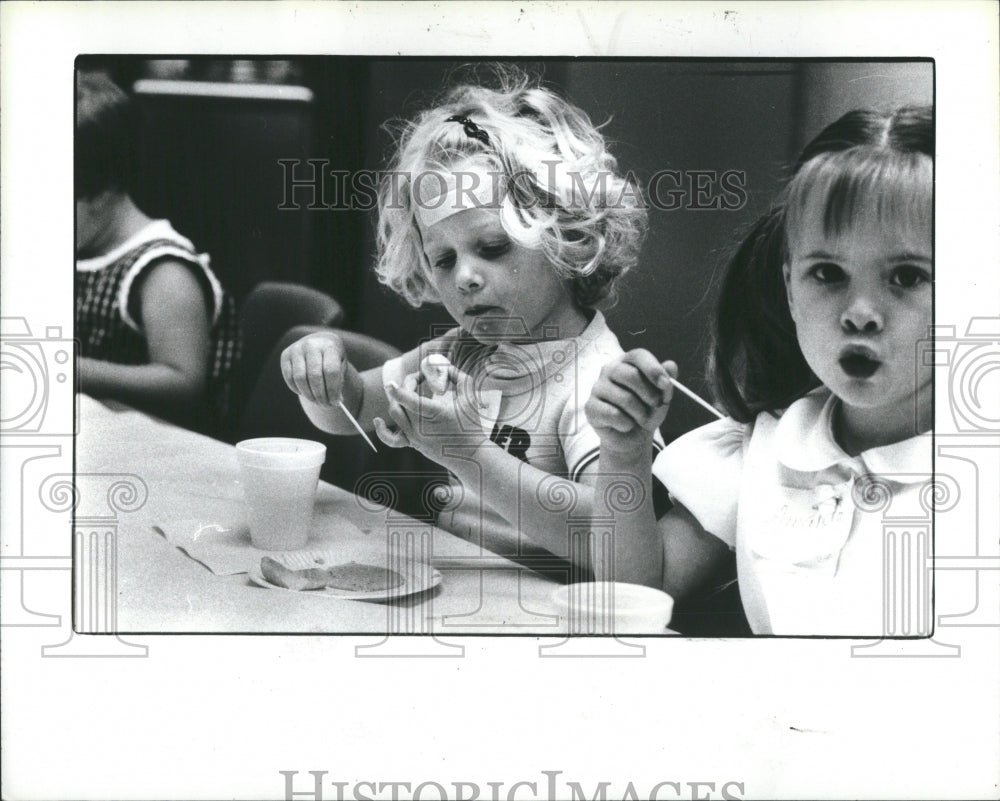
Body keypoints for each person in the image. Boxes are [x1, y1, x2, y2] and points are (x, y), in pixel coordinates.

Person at [281, 67, 655, 570]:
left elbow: (611, 537)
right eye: (444, 259)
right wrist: (324, 375)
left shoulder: (600, 385)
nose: (466, 278)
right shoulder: (461, 351)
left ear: (565, 236)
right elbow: (351, 409)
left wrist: (468, 454)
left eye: (492, 247)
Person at [585, 106, 933, 634]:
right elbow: (637, 590)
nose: (860, 311)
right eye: (828, 273)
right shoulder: (765, 446)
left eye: (907, 276)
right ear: (791, 289)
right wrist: (624, 453)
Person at [75, 71, 239, 432]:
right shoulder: (85, 247)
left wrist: (73, 370)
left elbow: (183, 382)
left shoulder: (163, 270)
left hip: (162, 452)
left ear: (102, 194)